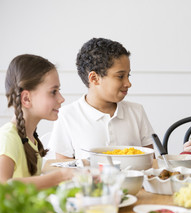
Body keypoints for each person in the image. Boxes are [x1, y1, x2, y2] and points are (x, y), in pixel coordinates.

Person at [49, 38, 154, 159]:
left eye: (128, 75)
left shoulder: (137, 111)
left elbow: (151, 161)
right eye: (120, 76)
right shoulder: (67, 115)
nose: (128, 83)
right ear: (94, 78)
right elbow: (64, 168)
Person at [0, 54, 73, 189]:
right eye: (53, 92)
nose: (61, 98)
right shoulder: (8, 137)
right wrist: (60, 176)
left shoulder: (30, 139)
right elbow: (3, 187)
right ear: (26, 99)